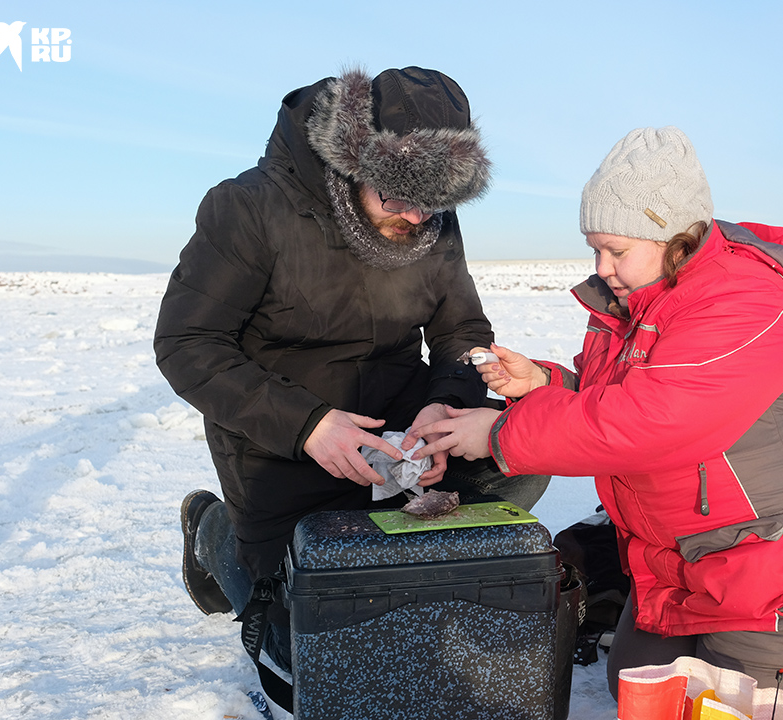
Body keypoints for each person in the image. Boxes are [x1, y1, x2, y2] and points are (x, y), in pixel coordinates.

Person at [408, 127, 783, 719]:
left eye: (617, 250)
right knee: (638, 690)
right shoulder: (632, 300)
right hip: (694, 556)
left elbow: (651, 421)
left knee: (728, 712)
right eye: (594, 248)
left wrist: (496, 436)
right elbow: (617, 393)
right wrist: (544, 384)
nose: (602, 267)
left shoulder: (743, 299)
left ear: (673, 235)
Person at [153, 66, 549, 674]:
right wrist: (308, 425)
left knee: (516, 459)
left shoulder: (430, 220)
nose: (417, 217)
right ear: (355, 164)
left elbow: (460, 331)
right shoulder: (250, 207)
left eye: (435, 202)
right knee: (320, 652)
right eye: (399, 196)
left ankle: (419, 561)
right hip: (282, 444)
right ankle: (213, 531)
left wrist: (441, 406)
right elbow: (188, 343)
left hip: (402, 433)